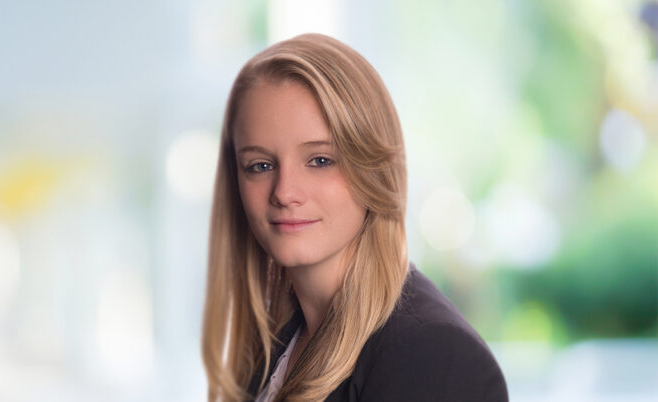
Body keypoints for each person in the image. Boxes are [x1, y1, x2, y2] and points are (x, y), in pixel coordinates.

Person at [201, 33, 508, 402]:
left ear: (373, 168)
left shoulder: (435, 355)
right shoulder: (275, 348)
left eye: (320, 160)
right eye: (260, 165)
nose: (284, 192)